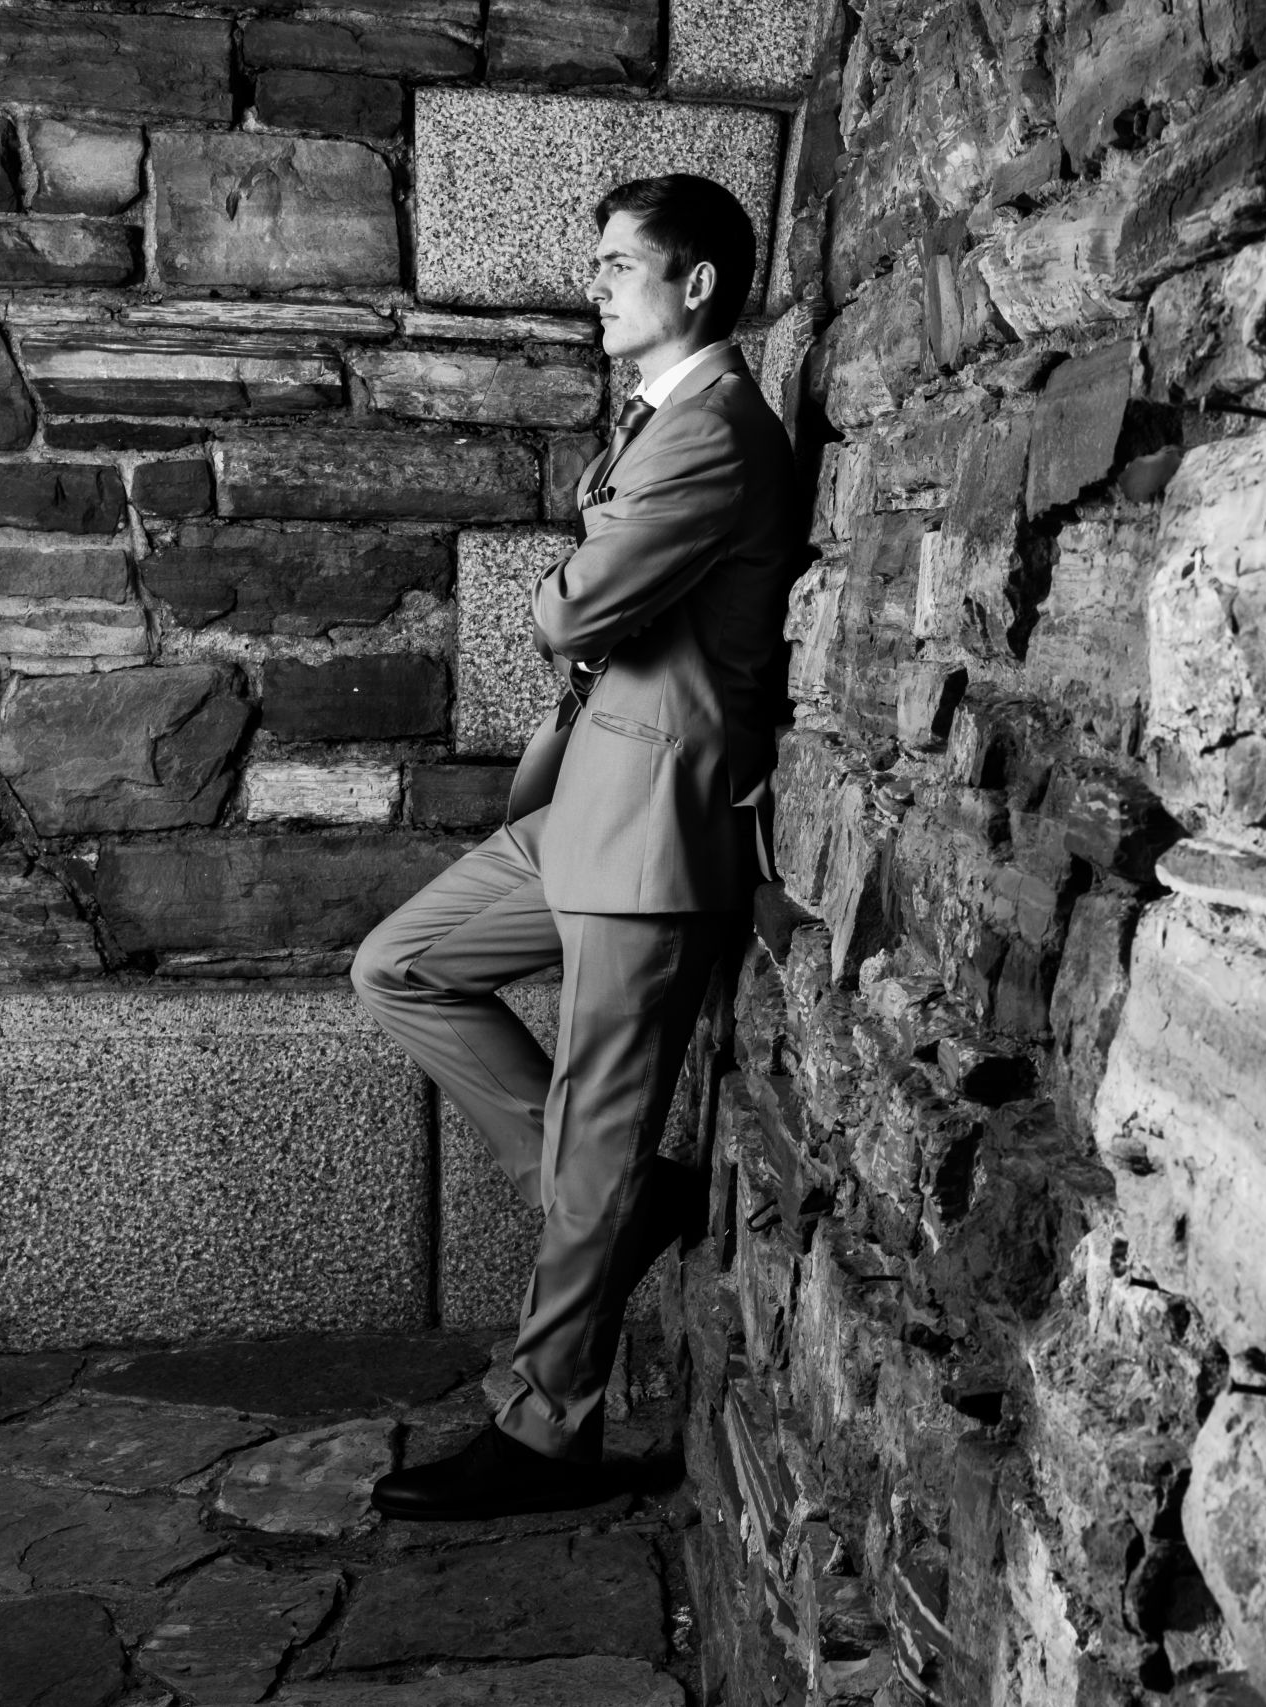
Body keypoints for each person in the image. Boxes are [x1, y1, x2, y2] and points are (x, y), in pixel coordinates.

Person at [353, 173, 800, 1520]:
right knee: (400, 968)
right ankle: (616, 1199)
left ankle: (547, 1432)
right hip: (584, 808)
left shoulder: (715, 431)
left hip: (653, 832)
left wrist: (578, 584)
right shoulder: (661, 421)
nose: (593, 285)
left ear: (696, 283)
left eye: (617, 265)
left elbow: (568, 613)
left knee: (597, 1141)